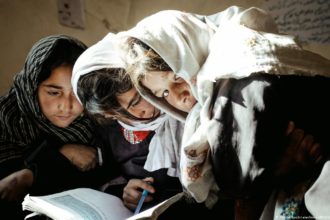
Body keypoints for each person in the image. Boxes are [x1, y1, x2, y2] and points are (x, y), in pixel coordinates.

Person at [72, 31, 324, 219]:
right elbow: (109, 176)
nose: (137, 113)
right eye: (118, 114)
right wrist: (125, 191)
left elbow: (236, 183)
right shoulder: (114, 131)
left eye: (138, 98)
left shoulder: (195, 111)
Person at [0, 35, 103, 219]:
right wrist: (61, 154)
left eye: (77, 93)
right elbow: (10, 188)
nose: (67, 105)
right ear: (32, 87)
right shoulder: (7, 120)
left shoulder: (95, 120)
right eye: (54, 92)